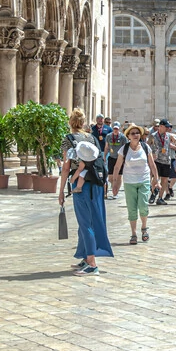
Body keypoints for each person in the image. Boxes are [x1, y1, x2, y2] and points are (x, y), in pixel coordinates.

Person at [58, 108, 112, 276]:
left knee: (85, 223)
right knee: (90, 221)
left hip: (81, 187)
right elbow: (100, 161)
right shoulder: (93, 138)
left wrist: (60, 191)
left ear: (70, 123)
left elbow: (66, 167)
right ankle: (84, 257)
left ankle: (92, 263)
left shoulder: (68, 140)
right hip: (96, 183)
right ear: (83, 122)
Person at [111, 124, 159, 245]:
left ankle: (144, 228)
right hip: (129, 182)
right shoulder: (124, 149)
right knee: (132, 209)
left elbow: (152, 165)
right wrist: (115, 183)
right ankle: (133, 233)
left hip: (143, 180)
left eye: (137, 133)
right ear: (128, 136)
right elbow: (117, 167)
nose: (136, 135)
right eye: (133, 133)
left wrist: (156, 180)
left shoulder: (145, 147)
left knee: (143, 206)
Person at [148, 119, 176, 205]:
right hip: (156, 160)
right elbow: (148, 145)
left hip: (166, 161)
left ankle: (160, 198)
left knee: (164, 180)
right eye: (166, 127)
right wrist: (150, 156)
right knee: (155, 179)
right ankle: (153, 193)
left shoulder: (169, 135)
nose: (168, 128)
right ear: (161, 126)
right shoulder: (153, 135)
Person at [104, 122, 126, 200]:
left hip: (120, 158)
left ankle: (115, 192)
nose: (115, 130)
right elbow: (106, 147)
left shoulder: (123, 137)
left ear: (119, 128)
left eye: (117, 128)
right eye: (114, 128)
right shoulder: (109, 136)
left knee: (119, 176)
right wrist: (104, 156)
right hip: (111, 157)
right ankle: (114, 187)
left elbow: (125, 148)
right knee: (110, 177)